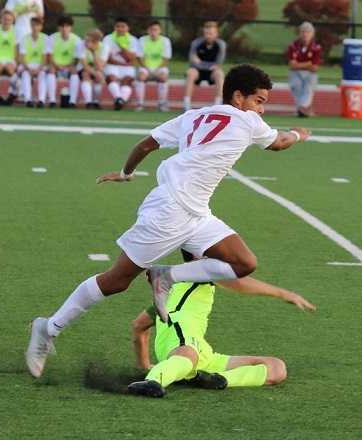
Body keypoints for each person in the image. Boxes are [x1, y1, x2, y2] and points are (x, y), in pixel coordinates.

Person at [25, 64, 310, 379]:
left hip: (196, 212)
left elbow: (146, 144)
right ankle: (48, 327)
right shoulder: (248, 120)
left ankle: (167, 275)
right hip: (170, 210)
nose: (262, 109)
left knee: (243, 262)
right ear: (239, 97)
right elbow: (280, 142)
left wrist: (125, 173)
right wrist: (299, 134)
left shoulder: (193, 116)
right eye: (259, 100)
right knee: (117, 280)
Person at [129, 250, 316, 397]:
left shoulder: (173, 288)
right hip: (182, 342)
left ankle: (216, 379)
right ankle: (154, 381)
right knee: (188, 356)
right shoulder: (200, 270)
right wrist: (284, 294)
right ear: (199, 256)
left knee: (276, 368)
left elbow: (139, 326)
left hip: (202, 352)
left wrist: (144, 364)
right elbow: (239, 284)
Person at [184, 21, 226, 111]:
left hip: (212, 73)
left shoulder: (221, 45)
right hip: (197, 71)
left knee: (219, 74)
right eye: (206, 33)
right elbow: (192, 62)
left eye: (211, 33)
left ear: (216, 34)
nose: (208, 36)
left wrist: (200, 63)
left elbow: (218, 63)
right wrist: (208, 65)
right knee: (190, 73)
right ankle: (186, 104)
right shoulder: (196, 43)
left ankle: (218, 105)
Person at [45, 15, 82, 108]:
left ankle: (72, 102)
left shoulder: (77, 39)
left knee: (74, 70)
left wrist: (68, 66)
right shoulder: (52, 38)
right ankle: (52, 101)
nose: (64, 29)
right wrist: (57, 66)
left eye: (67, 26)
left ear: (71, 28)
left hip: (69, 66)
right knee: (51, 69)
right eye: (62, 26)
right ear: (59, 27)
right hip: (56, 66)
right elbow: (49, 56)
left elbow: (77, 59)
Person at [102, 17, 138, 111]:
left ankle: (120, 101)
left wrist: (121, 47)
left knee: (128, 80)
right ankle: (119, 99)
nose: (120, 29)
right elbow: (108, 58)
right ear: (114, 27)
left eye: (123, 26)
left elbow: (132, 58)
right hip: (113, 66)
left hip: (127, 67)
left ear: (128, 28)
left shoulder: (133, 40)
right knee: (111, 78)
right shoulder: (108, 38)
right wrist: (124, 62)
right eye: (118, 26)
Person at [286, 21, 321, 118]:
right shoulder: (293, 46)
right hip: (295, 73)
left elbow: (314, 67)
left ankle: (302, 109)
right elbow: (292, 65)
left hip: (310, 74)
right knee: (296, 86)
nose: (305, 34)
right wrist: (308, 63)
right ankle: (304, 110)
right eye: (303, 32)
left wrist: (299, 64)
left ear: (312, 34)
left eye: (308, 32)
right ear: (299, 33)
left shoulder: (316, 48)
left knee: (309, 87)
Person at [135, 20, 172, 112]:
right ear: (148, 30)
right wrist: (148, 69)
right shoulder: (142, 40)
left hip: (160, 68)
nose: (153, 32)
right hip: (146, 67)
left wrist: (156, 70)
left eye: (156, 30)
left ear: (160, 31)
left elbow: (166, 59)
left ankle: (162, 104)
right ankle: (140, 104)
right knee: (141, 77)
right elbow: (139, 57)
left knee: (163, 77)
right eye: (151, 30)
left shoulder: (165, 41)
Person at [18, 16, 47, 107]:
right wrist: (28, 68)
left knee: (42, 74)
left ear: (41, 27)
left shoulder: (45, 38)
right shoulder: (25, 39)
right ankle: (28, 100)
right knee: (26, 74)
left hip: (40, 66)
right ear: (30, 26)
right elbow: (22, 57)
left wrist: (39, 69)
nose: (35, 28)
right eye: (33, 25)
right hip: (28, 65)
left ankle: (41, 100)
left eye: (37, 25)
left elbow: (45, 57)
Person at [79, 29, 105, 109]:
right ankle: (88, 102)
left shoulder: (104, 47)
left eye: (89, 40)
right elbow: (85, 65)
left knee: (99, 75)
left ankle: (96, 101)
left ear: (96, 41)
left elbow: (100, 67)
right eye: (86, 39)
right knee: (86, 75)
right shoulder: (81, 45)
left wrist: (93, 52)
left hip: (97, 69)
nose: (86, 42)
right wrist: (96, 74)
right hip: (82, 68)